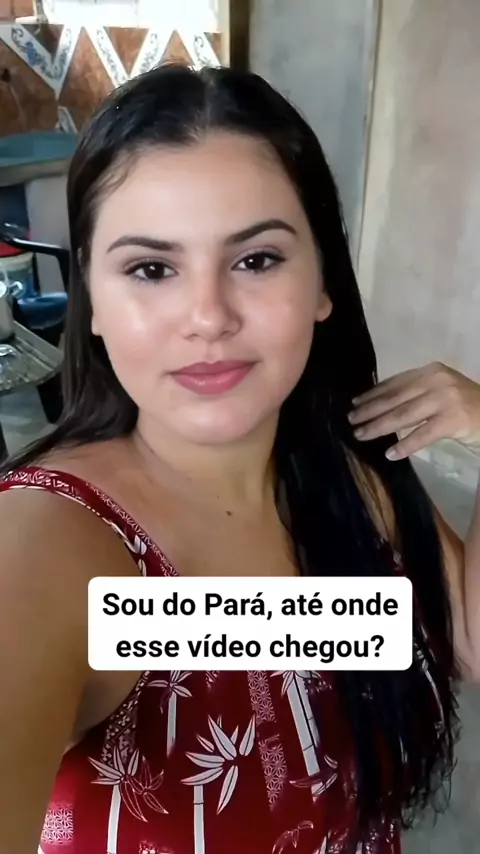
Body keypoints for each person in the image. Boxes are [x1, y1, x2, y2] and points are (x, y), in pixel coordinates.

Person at [0, 63, 479, 854]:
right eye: (151, 269)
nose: (208, 317)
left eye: (256, 259)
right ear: (92, 299)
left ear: (323, 281)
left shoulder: (351, 473)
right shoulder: (50, 542)